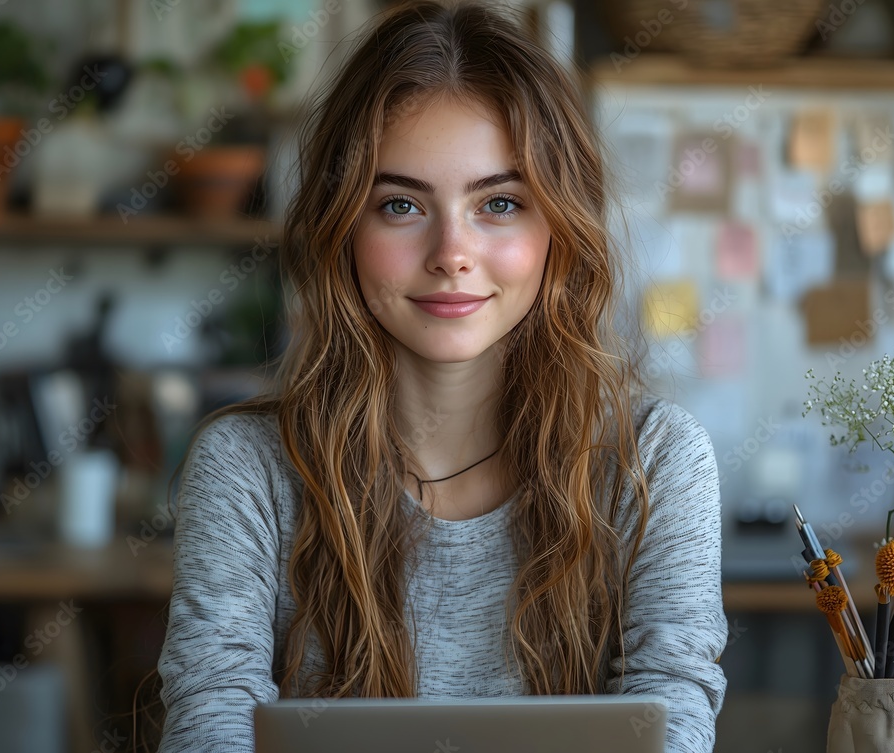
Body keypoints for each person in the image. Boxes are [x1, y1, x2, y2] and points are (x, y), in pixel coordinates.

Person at [155, 1, 728, 751]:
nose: (452, 253)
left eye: (500, 203)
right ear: (342, 227)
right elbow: (210, 720)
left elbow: (672, 715)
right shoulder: (247, 468)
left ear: (559, 226)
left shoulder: (655, 460)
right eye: (400, 205)